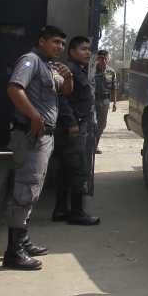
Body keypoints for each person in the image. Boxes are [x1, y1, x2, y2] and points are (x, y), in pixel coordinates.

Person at [4, 25, 73, 270]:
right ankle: (13, 252)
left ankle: (23, 240)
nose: (59, 47)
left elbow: (65, 91)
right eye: (55, 42)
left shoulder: (49, 66)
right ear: (42, 41)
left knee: (33, 188)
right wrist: (34, 115)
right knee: (25, 189)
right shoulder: (30, 60)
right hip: (30, 135)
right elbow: (14, 88)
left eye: (62, 44)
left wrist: (69, 77)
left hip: (45, 137)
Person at [53, 35, 101, 225]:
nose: (88, 53)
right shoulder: (69, 70)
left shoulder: (79, 70)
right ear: (72, 52)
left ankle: (61, 210)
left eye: (89, 49)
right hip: (74, 127)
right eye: (83, 49)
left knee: (67, 169)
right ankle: (77, 212)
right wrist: (72, 122)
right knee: (78, 169)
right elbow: (62, 99)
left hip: (79, 125)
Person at [93, 49, 117, 154]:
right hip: (93, 100)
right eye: (100, 58)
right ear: (97, 59)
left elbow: (114, 88)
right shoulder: (92, 70)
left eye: (105, 58)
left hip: (105, 101)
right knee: (92, 122)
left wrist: (114, 103)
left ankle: (95, 145)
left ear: (108, 59)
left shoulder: (111, 72)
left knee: (102, 124)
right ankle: (90, 145)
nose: (103, 60)